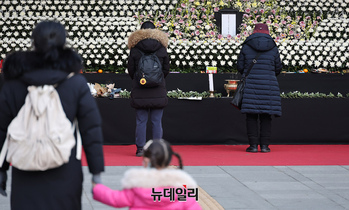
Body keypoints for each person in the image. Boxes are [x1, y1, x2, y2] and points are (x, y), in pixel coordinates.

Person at [0, 21, 104, 209]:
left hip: (25, 167)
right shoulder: (76, 84)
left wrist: (1, 168)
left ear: (34, 42)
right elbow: (91, 129)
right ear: (63, 42)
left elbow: (1, 129)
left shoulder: (13, 84)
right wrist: (96, 172)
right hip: (65, 166)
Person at [93, 139, 202, 209]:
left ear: (146, 160)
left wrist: (97, 188)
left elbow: (115, 199)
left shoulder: (138, 186)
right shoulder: (182, 189)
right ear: (169, 160)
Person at [237, 23, 283, 153]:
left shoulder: (246, 45)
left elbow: (240, 66)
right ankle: (265, 146)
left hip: (251, 84)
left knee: (251, 116)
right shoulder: (273, 47)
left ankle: (252, 146)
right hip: (269, 85)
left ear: (254, 32)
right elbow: (278, 67)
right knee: (266, 116)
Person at [127, 21, 170, 156]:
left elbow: (131, 70)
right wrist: (157, 79)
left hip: (140, 88)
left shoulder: (135, 48)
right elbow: (166, 69)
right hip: (158, 89)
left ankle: (140, 149)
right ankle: (157, 149)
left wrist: (140, 80)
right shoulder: (161, 48)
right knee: (157, 121)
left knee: (141, 121)